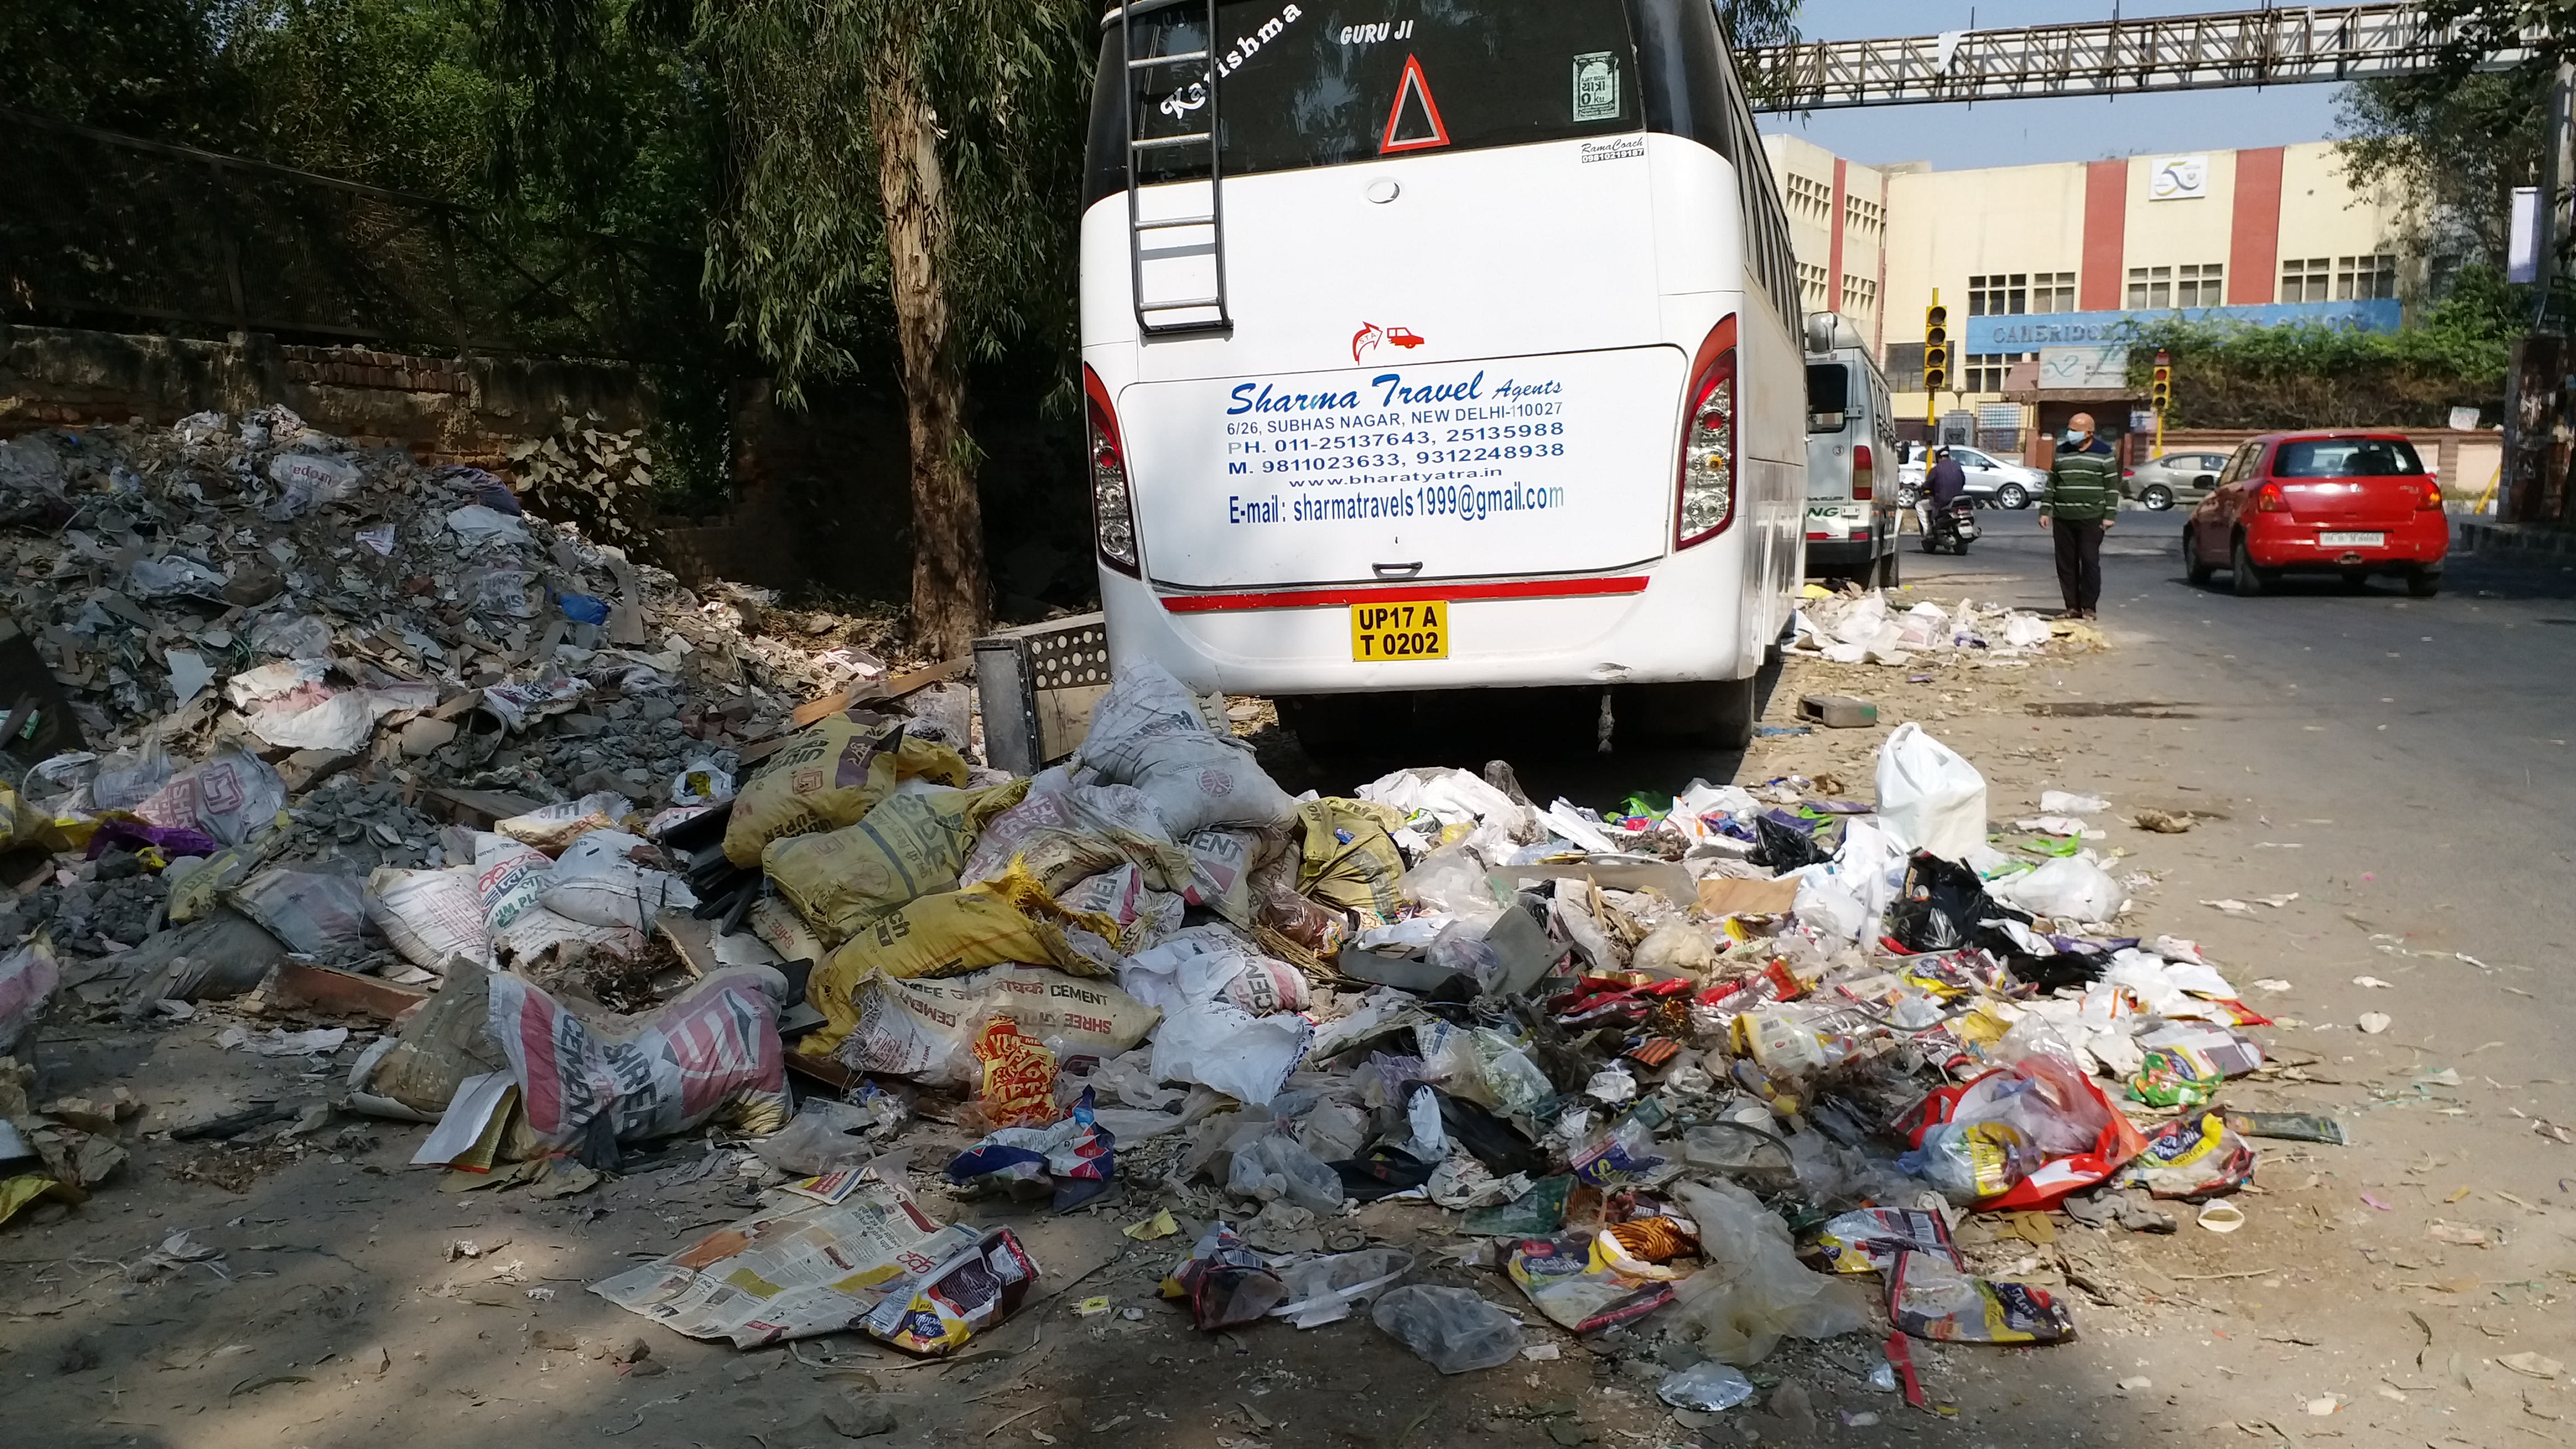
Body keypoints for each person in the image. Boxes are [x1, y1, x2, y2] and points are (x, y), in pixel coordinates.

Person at [2038, 413, 2118, 619]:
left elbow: (2111, 487)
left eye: (2075, 431)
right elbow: (2052, 483)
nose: (2070, 434)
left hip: (2091, 517)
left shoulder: (2104, 453)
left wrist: (2109, 515)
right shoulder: (2062, 452)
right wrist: (2045, 510)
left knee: (2089, 561)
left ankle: (2089, 607)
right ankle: (2072, 606)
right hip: (2064, 517)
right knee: (2066, 563)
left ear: (2089, 432)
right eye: (2069, 429)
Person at [1920, 447, 1967, 537]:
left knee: (1920, 506)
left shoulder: (1936, 469)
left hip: (1942, 501)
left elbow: (1928, 484)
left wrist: (1922, 488)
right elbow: (1963, 481)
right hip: (1958, 500)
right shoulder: (1958, 467)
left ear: (1939, 458)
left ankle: (1927, 532)